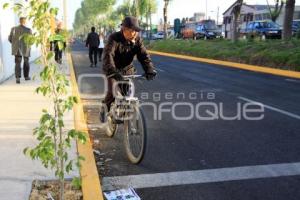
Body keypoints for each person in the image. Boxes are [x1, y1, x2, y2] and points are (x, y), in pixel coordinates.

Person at [100, 16, 157, 123]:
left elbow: (144, 56)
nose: (134, 34)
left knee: (127, 93)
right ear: (124, 30)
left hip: (127, 70)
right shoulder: (114, 38)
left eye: (136, 31)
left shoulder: (138, 40)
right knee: (113, 92)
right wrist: (113, 72)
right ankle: (105, 107)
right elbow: (108, 56)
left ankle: (123, 114)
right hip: (112, 69)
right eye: (132, 31)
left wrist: (149, 69)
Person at [8, 17, 32, 84]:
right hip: (26, 48)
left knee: (17, 63)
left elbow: (10, 39)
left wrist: (15, 44)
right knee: (26, 62)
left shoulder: (13, 29)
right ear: (25, 22)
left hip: (17, 48)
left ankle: (17, 78)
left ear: (19, 21)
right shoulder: (28, 30)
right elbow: (31, 41)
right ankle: (26, 77)